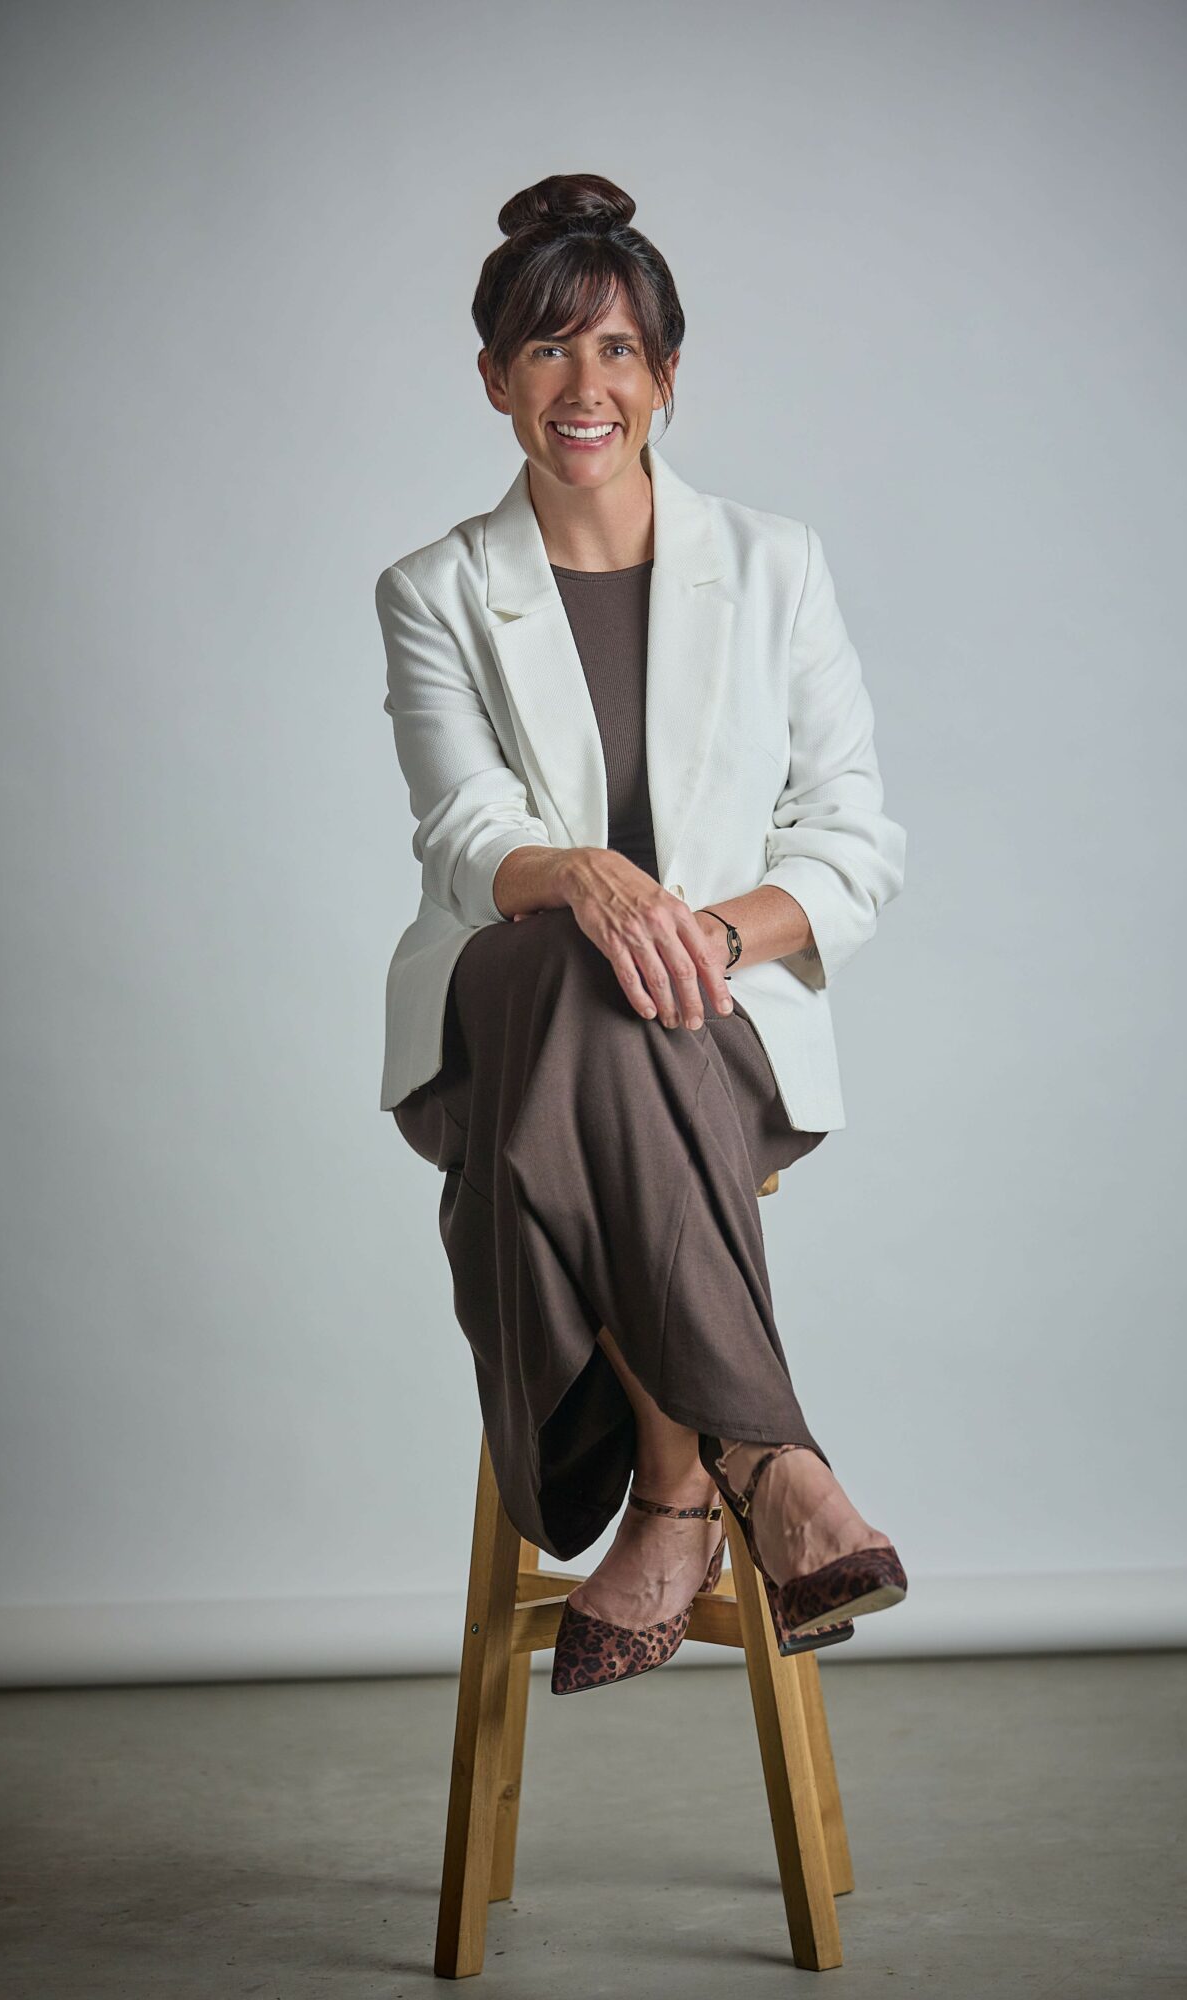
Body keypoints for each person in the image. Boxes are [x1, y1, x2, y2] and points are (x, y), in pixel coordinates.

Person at [378, 172, 909, 1695]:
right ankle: (765, 1461)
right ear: (494, 379)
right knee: (563, 962)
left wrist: (699, 939)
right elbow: (463, 836)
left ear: (667, 375)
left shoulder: (775, 564)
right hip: (501, 1012)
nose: (583, 386)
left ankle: (676, 1499)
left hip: (716, 1026)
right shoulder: (435, 590)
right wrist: (587, 882)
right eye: (546, 350)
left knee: (606, 1013)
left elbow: (853, 842)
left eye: (615, 349)